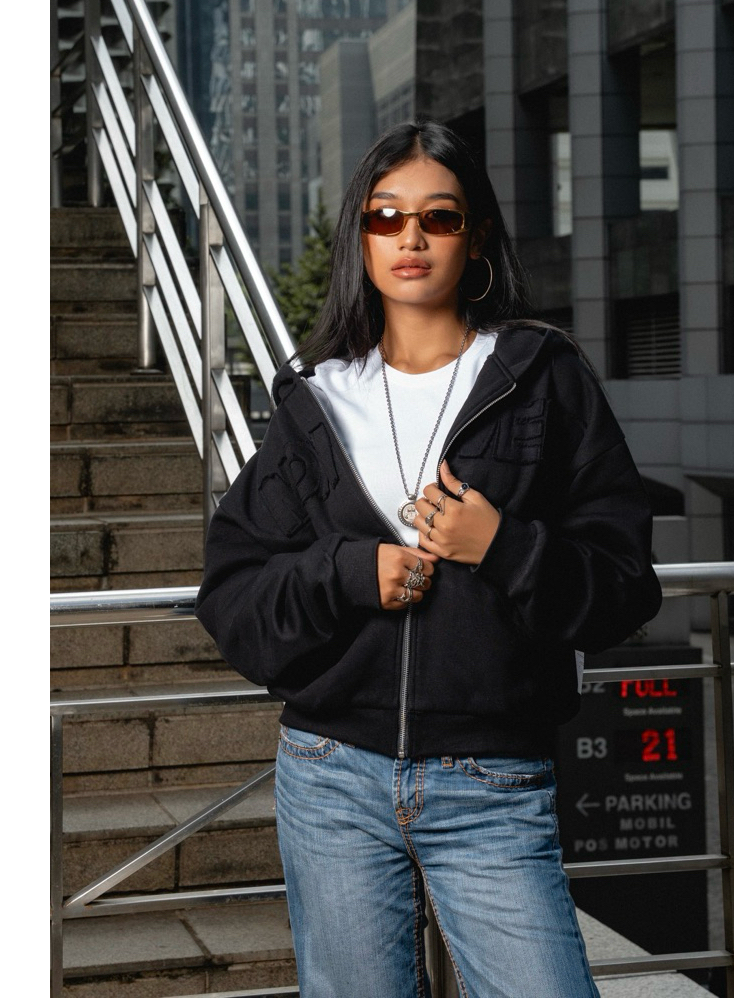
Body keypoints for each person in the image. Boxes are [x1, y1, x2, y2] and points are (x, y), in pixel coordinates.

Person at [195, 120, 662, 998]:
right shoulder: (316, 400)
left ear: (474, 236)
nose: (410, 238)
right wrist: (346, 573)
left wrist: (504, 546)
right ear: (362, 237)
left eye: (438, 218)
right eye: (387, 217)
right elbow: (233, 594)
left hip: (492, 780)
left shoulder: (541, 379)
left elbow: (626, 587)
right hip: (330, 774)